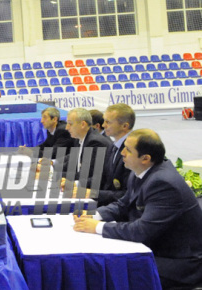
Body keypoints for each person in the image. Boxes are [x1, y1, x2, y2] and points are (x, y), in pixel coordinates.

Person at [74, 129, 202, 289]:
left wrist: (99, 227)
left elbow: (141, 231)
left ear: (145, 158)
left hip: (178, 263)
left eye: (128, 149)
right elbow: (123, 204)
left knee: (109, 271)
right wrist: (95, 215)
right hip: (156, 247)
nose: (122, 153)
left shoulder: (164, 183)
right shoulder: (141, 171)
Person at [62, 108, 113, 188]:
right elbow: (72, 164)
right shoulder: (81, 139)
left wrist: (53, 175)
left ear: (83, 124)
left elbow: (86, 175)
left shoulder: (94, 142)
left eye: (70, 124)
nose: (67, 128)